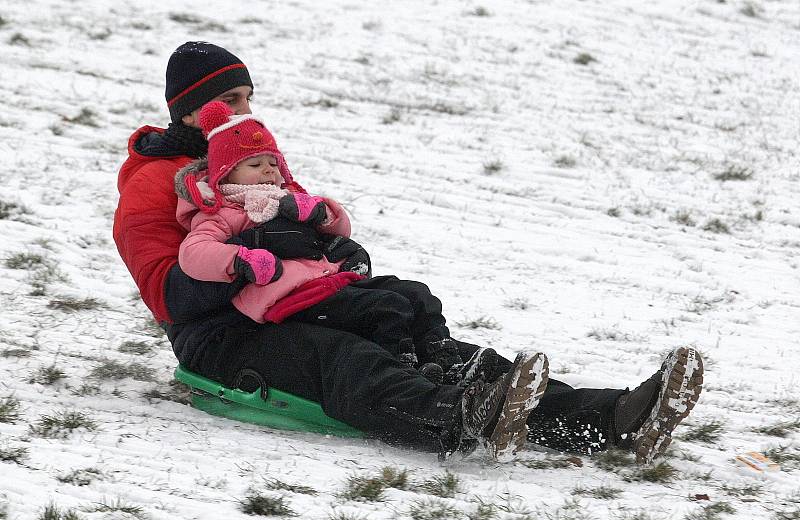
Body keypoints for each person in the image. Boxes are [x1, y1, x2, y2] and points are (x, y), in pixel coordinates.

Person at [113, 41, 704, 465]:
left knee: (433, 342)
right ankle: (461, 419)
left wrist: (338, 251)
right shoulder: (153, 184)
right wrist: (253, 254)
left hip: (296, 300)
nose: (247, 112)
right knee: (346, 360)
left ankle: (615, 418)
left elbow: (306, 226)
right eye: (234, 100)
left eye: (249, 98)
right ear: (194, 110)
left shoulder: (244, 167)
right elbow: (169, 296)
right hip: (223, 335)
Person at [174, 100, 462, 382]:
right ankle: (404, 376)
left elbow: (343, 229)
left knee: (416, 294)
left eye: (273, 163)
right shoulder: (224, 211)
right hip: (288, 298)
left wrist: (321, 212)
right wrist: (241, 259)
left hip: (326, 282)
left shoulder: (285, 199)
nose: (268, 170)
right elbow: (194, 251)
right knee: (386, 308)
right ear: (226, 172)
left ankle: (444, 361)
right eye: (255, 163)